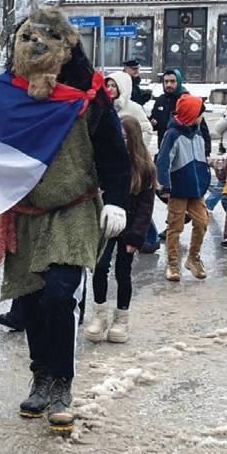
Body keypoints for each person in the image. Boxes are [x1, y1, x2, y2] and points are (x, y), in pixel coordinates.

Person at [0, 6, 130, 435]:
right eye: (28, 37)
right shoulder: (6, 93)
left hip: (72, 210)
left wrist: (117, 201)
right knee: (29, 300)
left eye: (46, 38)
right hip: (25, 214)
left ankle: (62, 384)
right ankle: (41, 377)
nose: (36, 44)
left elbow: (115, 155)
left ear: (66, 46)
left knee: (58, 296)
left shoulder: (88, 95)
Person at [85, 116, 155, 344]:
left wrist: (136, 236)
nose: (119, 141)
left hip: (130, 226)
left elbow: (146, 207)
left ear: (132, 138)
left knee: (123, 272)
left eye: (123, 137)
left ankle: (122, 318)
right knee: (100, 267)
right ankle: (99, 314)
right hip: (106, 225)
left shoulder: (145, 168)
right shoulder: (107, 163)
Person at [157, 93, 211, 282]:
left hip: (196, 190)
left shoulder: (198, 132)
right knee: (175, 227)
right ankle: (173, 264)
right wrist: (165, 185)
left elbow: (202, 157)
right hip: (178, 190)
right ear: (190, 115)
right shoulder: (172, 134)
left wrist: (205, 177)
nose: (201, 117)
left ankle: (193, 258)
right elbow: (163, 161)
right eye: (199, 114)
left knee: (202, 222)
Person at [150, 69, 211, 153]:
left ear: (178, 82)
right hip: (164, 147)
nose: (168, 85)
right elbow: (155, 121)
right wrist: (152, 122)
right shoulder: (160, 100)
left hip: (185, 150)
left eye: (172, 81)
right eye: (166, 81)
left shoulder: (186, 100)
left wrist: (206, 151)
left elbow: (201, 126)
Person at [105, 71, 155, 153]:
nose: (110, 89)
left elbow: (147, 130)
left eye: (114, 86)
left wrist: (136, 150)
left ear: (122, 87)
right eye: (107, 86)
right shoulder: (104, 107)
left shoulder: (134, 108)